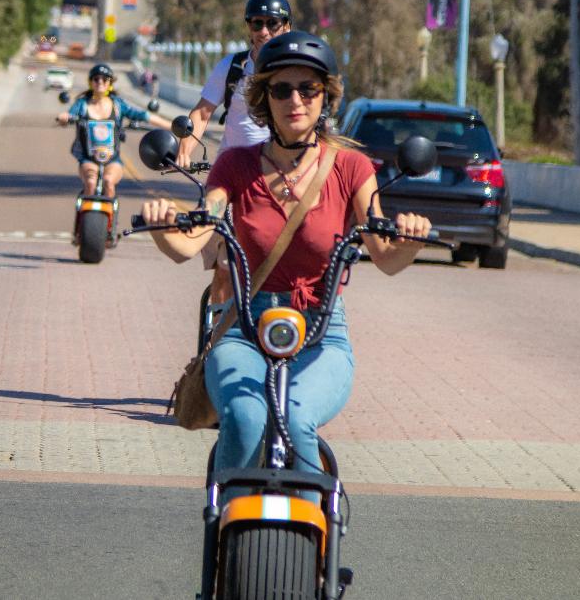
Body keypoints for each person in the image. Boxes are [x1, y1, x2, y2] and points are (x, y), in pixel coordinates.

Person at [138, 31, 431, 490]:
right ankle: (229, 534)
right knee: (245, 415)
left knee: (297, 418)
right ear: (263, 99)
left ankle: (310, 544)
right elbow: (192, 240)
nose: (295, 100)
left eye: (308, 89)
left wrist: (411, 238)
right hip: (243, 328)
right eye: (281, 89)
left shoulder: (353, 169)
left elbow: (386, 256)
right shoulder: (234, 165)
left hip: (322, 333)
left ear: (325, 97)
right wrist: (163, 227)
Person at [178, 0, 294, 306]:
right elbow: (202, 113)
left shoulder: (296, 72)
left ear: (286, 26)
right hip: (233, 179)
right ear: (248, 26)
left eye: (273, 23)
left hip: (284, 180)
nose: (264, 31)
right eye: (257, 23)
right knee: (226, 266)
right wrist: (185, 147)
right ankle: (215, 342)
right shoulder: (232, 67)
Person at [55, 62, 169, 200]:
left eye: (105, 79)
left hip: (112, 160)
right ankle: (84, 218)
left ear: (110, 83)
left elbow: (143, 115)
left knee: (109, 182)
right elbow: (69, 115)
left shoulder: (117, 105)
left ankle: (109, 220)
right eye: (96, 79)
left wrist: (172, 126)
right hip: (88, 159)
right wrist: (64, 117)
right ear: (90, 82)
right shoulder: (82, 104)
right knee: (90, 182)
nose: (100, 82)